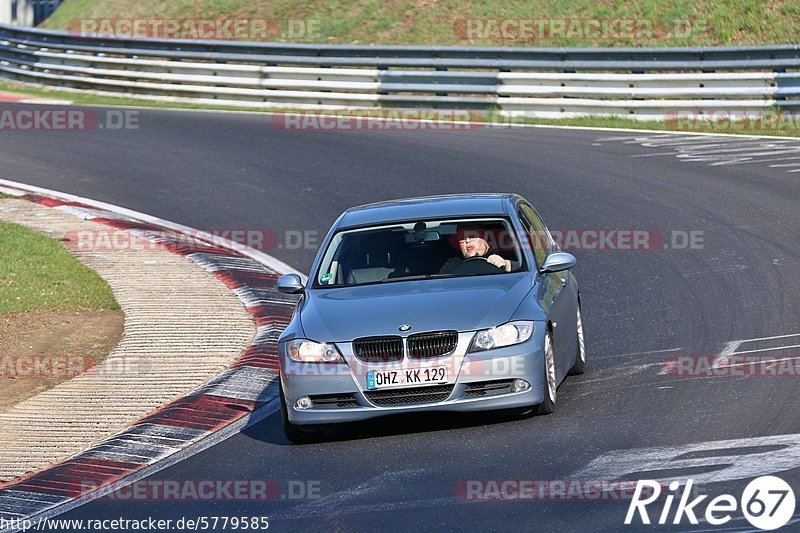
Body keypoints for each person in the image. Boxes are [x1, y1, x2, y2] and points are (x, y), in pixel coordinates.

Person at [439, 224, 511, 274]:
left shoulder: (502, 260)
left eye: (472, 236)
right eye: (461, 238)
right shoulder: (452, 266)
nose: (467, 241)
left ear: (486, 240)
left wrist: (507, 264)